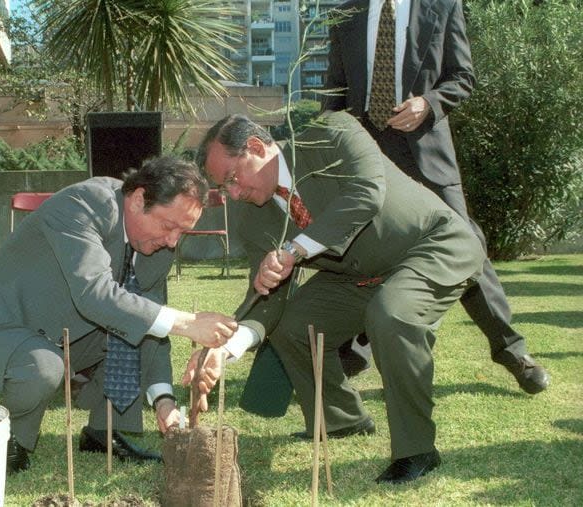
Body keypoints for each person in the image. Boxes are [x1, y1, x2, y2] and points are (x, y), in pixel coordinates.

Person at [184, 111, 485, 483]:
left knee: (391, 314)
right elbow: (268, 297)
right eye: (224, 187)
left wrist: (292, 251)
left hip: (431, 246)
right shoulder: (254, 213)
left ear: (257, 147)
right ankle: (341, 420)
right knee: (293, 325)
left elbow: (366, 193)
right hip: (359, 275)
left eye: (232, 178)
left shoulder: (333, 131)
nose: (233, 193)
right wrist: (226, 350)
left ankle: (417, 449)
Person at [0, 156, 238, 474]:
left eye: (182, 232)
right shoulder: (86, 203)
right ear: (139, 198)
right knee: (44, 366)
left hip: (67, 330)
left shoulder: (158, 247)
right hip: (6, 325)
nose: (173, 241)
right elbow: (95, 295)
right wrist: (189, 323)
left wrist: (164, 401)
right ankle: (8, 440)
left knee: (133, 324)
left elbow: (150, 323)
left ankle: (103, 432)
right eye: (169, 226)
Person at [321, 0, 548, 393]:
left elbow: (462, 76)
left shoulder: (441, 6)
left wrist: (428, 103)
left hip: (427, 155)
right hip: (367, 157)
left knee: (466, 246)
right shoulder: (346, 13)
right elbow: (334, 91)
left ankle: (512, 352)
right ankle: (354, 349)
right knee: (368, 250)